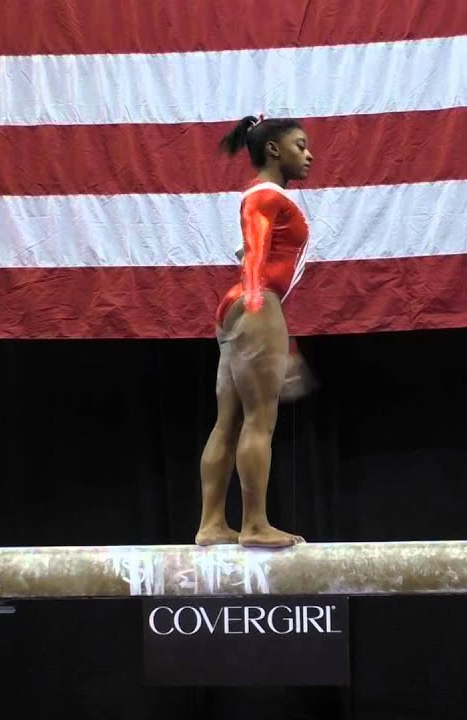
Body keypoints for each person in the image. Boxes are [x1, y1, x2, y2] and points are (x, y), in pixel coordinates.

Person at [195, 115, 315, 548]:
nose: (309, 154)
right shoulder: (265, 196)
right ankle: (254, 524)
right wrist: (263, 314)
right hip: (257, 300)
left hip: (241, 305)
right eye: (300, 145)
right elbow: (256, 256)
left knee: (227, 422)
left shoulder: (266, 196)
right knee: (260, 421)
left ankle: (212, 524)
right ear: (273, 150)